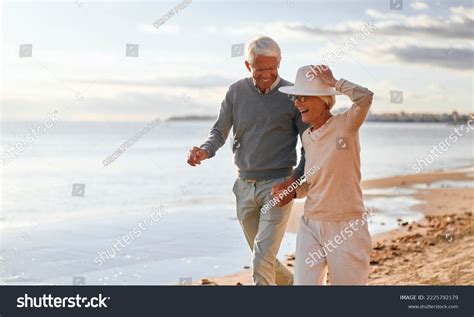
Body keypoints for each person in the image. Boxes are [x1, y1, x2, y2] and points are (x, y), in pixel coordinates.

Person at [186, 36, 308, 285]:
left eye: (272, 68)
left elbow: (310, 146)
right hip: (243, 187)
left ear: (280, 63)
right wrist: (204, 151)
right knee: (263, 257)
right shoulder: (236, 92)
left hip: (278, 186)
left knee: (262, 257)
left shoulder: (293, 96)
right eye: (259, 68)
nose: (266, 74)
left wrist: (293, 184)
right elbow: (219, 132)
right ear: (247, 65)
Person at [274, 65, 374, 285]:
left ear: (323, 100)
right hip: (311, 223)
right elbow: (313, 181)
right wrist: (290, 192)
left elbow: (365, 98)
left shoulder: (345, 125)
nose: (297, 103)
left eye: (303, 97)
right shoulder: (308, 137)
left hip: (347, 226)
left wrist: (334, 82)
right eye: (295, 98)